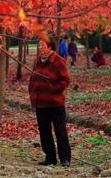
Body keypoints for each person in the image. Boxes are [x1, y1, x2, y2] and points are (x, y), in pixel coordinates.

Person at [28, 39, 71, 167]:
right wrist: (32, 92)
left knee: (60, 131)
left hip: (55, 104)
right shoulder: (37, 61)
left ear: (50, 46)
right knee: (44, 132)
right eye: (38, 45)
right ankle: (50, 158)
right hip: (40, 103)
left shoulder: (58, 61)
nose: (39, 48)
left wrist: (53, 90)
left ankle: (65, 158)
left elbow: (65, 80)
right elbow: (32, 79)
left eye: (42, 45)